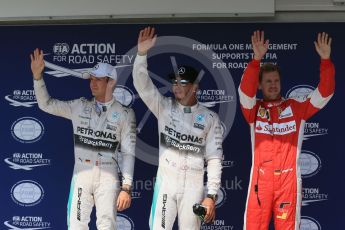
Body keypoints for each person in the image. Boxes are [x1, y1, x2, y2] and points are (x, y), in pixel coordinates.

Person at [30, 48, 136, 230]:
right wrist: (38, 77)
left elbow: (128, 152)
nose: (93, 84)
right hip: (81, 173)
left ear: (111, 82)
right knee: (76, 226)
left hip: (108, 175)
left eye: (98, 79)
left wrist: (126, 187)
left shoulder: (125, 114)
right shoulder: (79, 106)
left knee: (107, 226)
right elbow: (45, 104)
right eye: (91, 79)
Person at [238, 31, 335, 230]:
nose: (273, 86)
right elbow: (244, 92)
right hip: (260, 180)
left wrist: (325, 61)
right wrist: (256, 60)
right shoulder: (253, 110)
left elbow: (324, 93)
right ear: (260, 85)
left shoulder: (296, 107)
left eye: (276, 81)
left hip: (288, 181)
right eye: (268, 81)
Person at [132, 27, 223, 230]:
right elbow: (142, 85)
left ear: (195, 87)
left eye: (183, 82)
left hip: (194, 185)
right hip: (166, 182)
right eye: (174, 82)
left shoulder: (210, 118)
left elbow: (215, 158)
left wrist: (211, 196)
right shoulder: (163, 107)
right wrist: (141, 55)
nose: (177, 86)